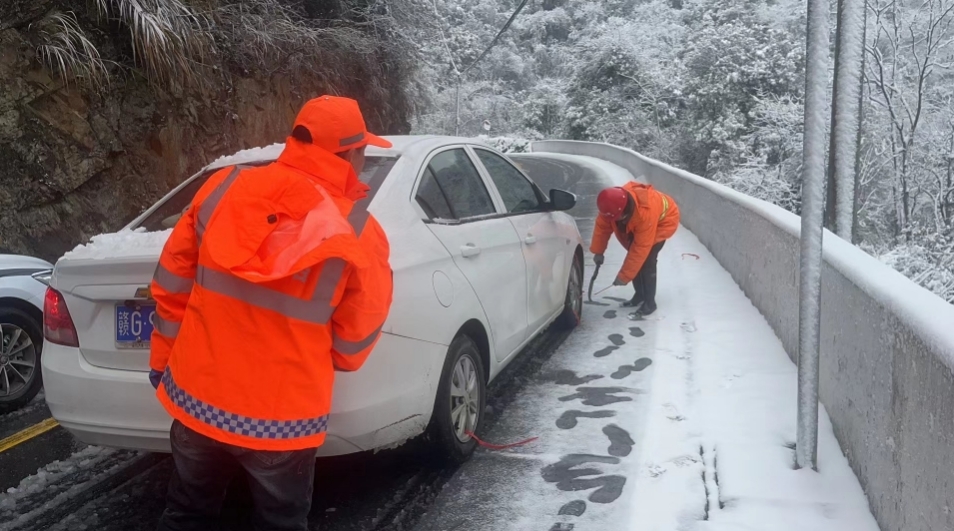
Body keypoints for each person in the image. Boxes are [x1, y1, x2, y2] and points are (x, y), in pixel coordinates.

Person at [147, 95, 394, 531]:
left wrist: (162, 360)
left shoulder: (222, 187)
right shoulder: (359, 230)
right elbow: (355, 340)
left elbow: (171, 284)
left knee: (186, 514)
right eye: (363, 151)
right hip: (284, 417)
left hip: (197, 398)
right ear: (351, 153)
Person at [590, 182, 680, 315]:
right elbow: (602, 229)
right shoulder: (610, 207)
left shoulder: (644, 214)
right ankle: (639, 296)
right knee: (636, 257)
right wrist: (598, 251)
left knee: (647, 259)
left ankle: (650, 303)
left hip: (663, 221)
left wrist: (624, 277)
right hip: (641, 218)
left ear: (624, 210)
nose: (612, 220)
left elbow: (639, 250)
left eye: (615, 218)